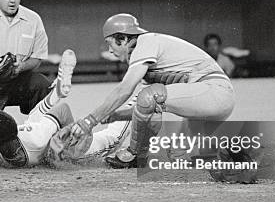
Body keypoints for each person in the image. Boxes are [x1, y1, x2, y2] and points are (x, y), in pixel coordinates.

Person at [65, 14, 249, 182]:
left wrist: (89, 121)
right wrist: (115, 116)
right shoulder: (150, 55)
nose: (109, 49)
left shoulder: (145, 43)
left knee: (149, 96)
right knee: (178, 155)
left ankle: (135, 156)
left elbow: (125, 90)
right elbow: (144, 109)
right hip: (208, 99)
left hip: (214, 92)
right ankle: (234, 156)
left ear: (122, 38)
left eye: (109, 42)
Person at [0, 49, 130, 167]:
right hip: (33, 128)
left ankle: (132, 104)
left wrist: (69, 140)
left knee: (110, 141)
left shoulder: (37, 140)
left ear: (4, 142)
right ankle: (56, 92)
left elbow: (62, 110)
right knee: (37, 116)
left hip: (44, 140)